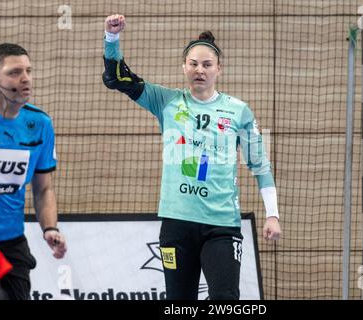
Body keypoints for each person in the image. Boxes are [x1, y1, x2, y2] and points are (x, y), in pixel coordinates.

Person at [102, 14, 281, 300]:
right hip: (177, 223)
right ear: (184, 67)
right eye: (194, 64)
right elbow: (116, 78)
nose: (200, 70)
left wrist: (272, 214)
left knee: (225, 300)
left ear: (218, 69)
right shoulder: (167, 101)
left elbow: (260, 165)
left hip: (221, 224)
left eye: (207, 65)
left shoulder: (238, 111)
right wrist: (112, 38)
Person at [0, 43, 67, 300]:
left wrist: (49, 229)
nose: (25, 79)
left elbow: (43, 188)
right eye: (14, 72)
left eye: (28, 71)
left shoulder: (40, 125)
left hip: (11, 242)